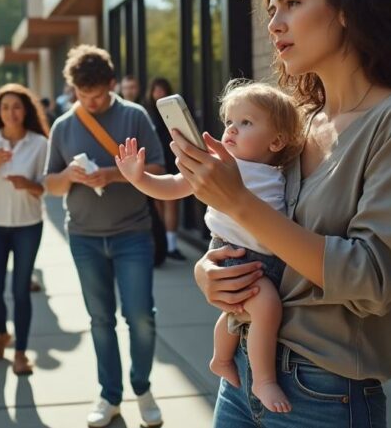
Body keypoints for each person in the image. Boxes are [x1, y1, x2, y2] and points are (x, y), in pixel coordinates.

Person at [177, 0, 391, 427]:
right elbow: (262, 235)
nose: (275, 24)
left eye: (292, 3)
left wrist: (240, 203)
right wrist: (211, 272)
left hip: (324, 393)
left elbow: (372, 281)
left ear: (347, 9)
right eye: (272, 10)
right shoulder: (300, 125)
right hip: (243, 369)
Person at [117, 80, 303, 413]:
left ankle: (221, 359)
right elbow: (173, 186)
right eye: (229, 121)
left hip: (265, 258)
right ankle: (263, 380)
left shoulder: (280, 172)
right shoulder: (216, 165)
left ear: (276, 141)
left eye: (246, 122)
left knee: (239, 312)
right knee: (266, 306)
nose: (231, 129)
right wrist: (139, 178)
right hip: (234, 253)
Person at [43, 45, 165, 428]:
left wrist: (113, 174)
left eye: (96, 95)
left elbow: (160, 168)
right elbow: (50, 184)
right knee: (100, 320)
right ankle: (109, 395)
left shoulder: (134, 116)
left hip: (133, 233)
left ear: (111, 84)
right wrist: (69, 176)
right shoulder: (64, 126)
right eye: (82, 95)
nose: (90, 103)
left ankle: (142, 388)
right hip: (84, 237)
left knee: (140, 317)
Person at [0, 84, 48, 376]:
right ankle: (2, 334)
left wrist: (28, 184)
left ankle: (21, 353)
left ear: (26, 110)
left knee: (21, 291)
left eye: (16, 107)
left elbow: (46, 187)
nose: (11, 113)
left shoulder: (40, 143)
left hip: (28, 226)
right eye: (4, 107)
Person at [145, 77, 183, 261]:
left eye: (162, 90)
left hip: (172, 160)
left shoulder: (173, 112)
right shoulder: (147, 114)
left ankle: (172, 245)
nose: (159, 93)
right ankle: (162, 241)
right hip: (155, 163)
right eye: (156, 90)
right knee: (158, 203)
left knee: (171, 203)